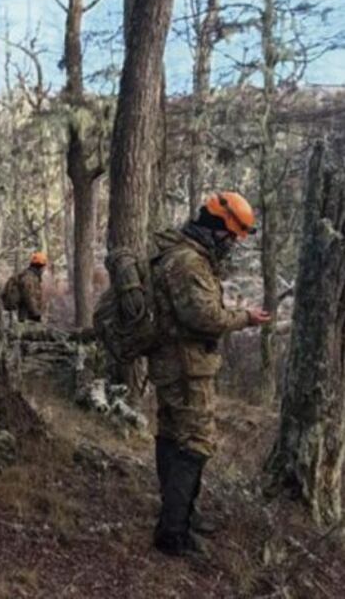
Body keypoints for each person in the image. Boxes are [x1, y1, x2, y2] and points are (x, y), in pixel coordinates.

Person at [148, 192, 271, 557]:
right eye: (231, 235)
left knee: (173, 435)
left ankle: (181, 514)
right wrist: (243, 318)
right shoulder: (188, 261)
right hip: (186, 367)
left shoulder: (188, 254)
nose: (232, 243)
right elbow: (203, 318)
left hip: (177, 363)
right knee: (196, 442)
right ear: (217, 227)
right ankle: (173, 534)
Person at [2, 252, 47, 323]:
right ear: (40, 266)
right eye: (44, 267)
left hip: (26, 316)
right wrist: (36, 314)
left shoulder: (30, 276)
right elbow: (29, 297)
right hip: (26, 317)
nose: (44, 270)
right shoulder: (29, 278)